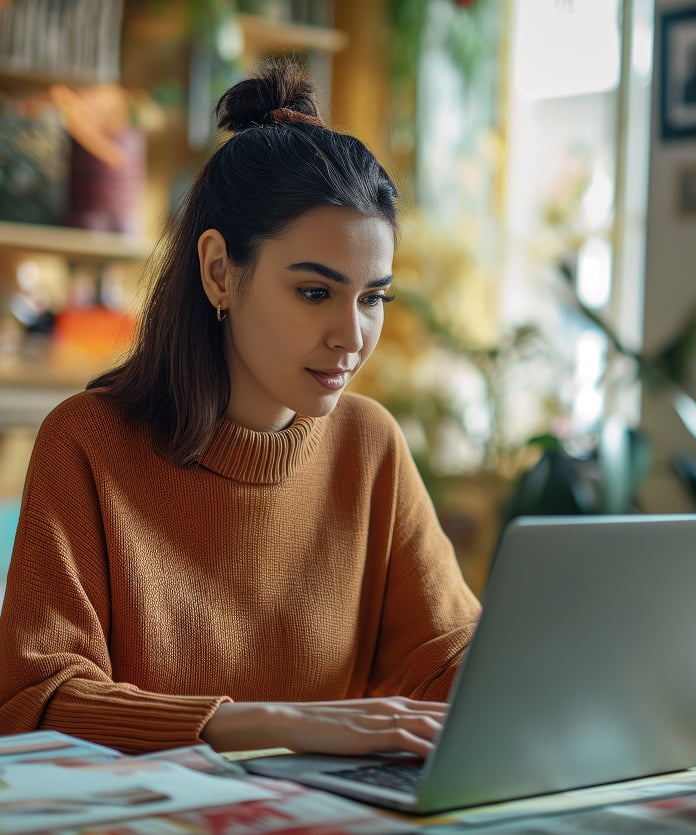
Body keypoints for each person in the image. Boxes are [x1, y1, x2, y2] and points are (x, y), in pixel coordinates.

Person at [0, 58, 481, 757]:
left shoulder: (369, 445)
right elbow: (32, 700)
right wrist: (270, 723)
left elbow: (446, 658)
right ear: (220, 271)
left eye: (373, 297)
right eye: (315, 292)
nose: (352, 335)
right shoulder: (86, 444)